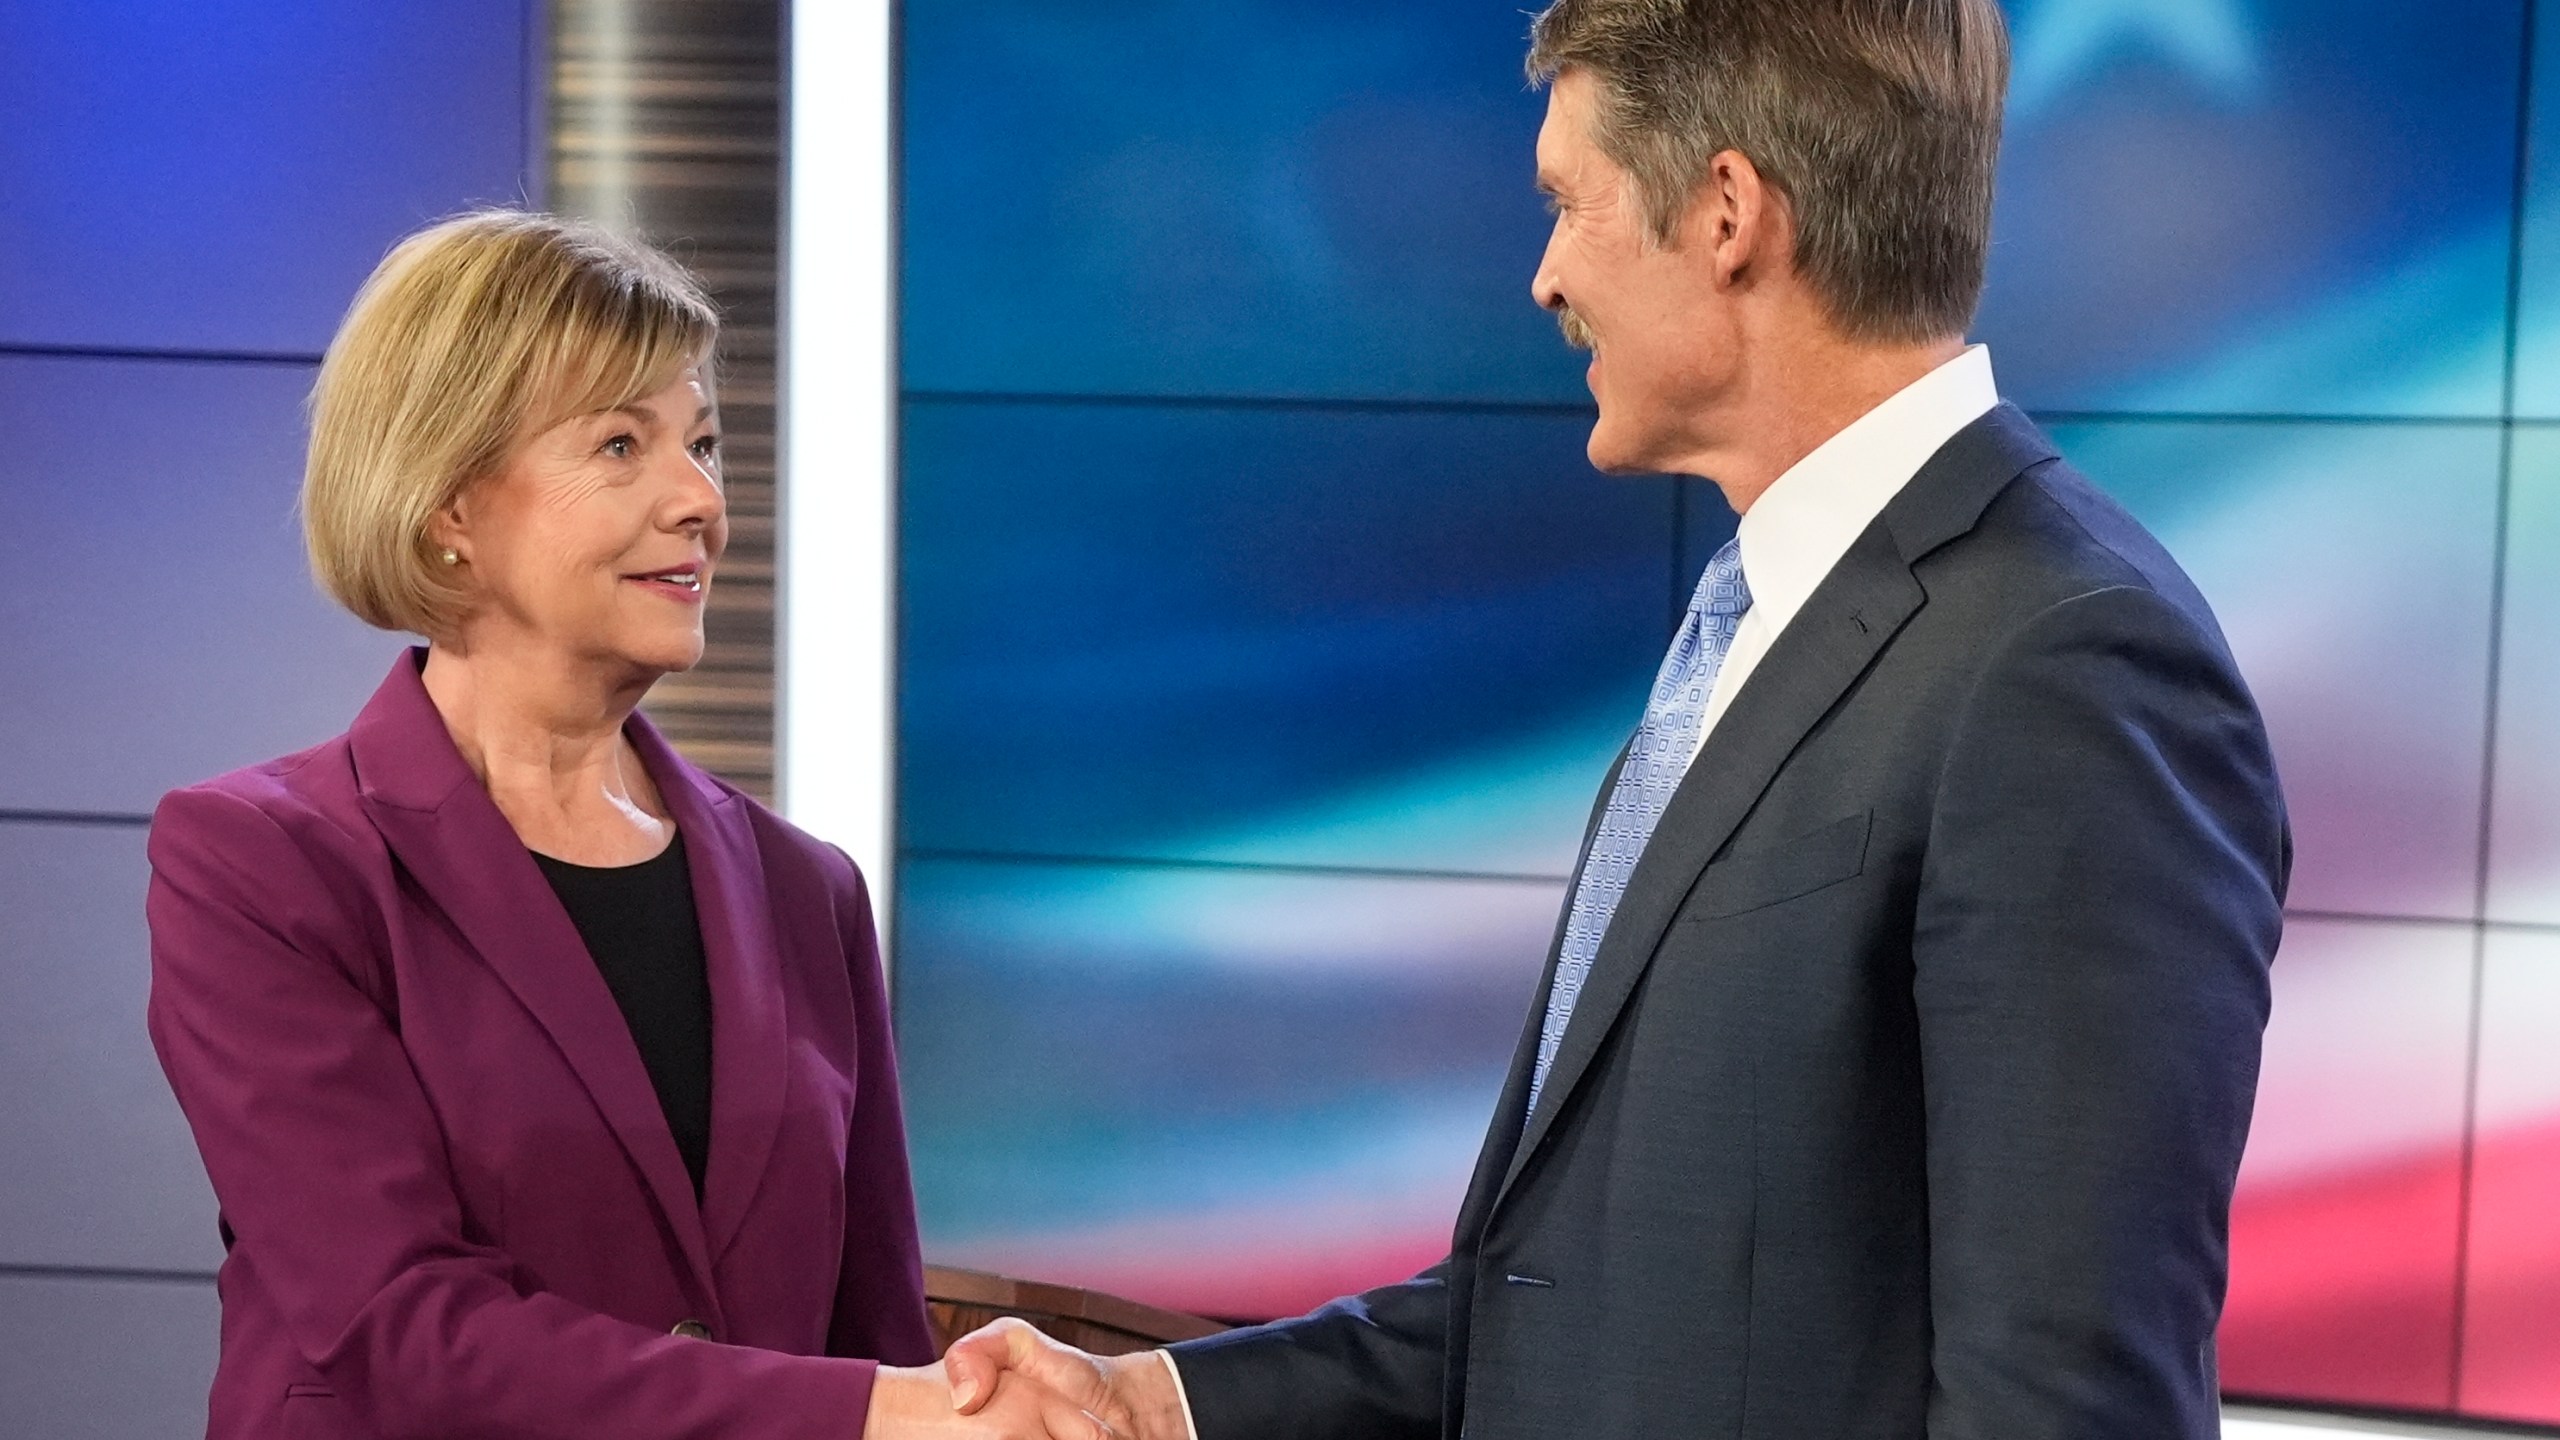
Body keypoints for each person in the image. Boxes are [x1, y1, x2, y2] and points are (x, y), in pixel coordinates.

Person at [946, 1, 2288, 1437]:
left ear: (1725, 214)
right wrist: (1150, 1406)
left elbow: (2068, 1408)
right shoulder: (1754, 624)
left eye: (1566, 204)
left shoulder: (2066, 663)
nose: (1543, 278)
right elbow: (1572, 1298)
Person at [146, 212, 1106, 1440]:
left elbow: (868, 1333)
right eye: (621, 443)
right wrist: (880, 1412)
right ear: (448, 504)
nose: (700, 499)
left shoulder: (805, 890)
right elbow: (400, 1327)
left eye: (703, 442)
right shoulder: (261, 863)